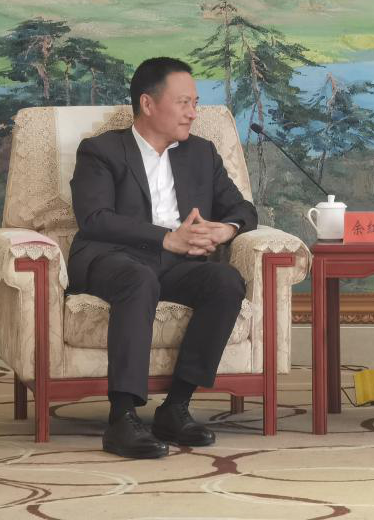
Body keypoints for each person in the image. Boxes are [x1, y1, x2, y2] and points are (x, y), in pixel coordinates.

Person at [68, 57, 258, 459]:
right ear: (148, 104)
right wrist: (167, 238)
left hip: (176, 265)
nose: (193, 113)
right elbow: (95, 218)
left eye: (195, 103)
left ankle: (176, 407)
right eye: (183, 102)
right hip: (112, 258)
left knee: (225, 282)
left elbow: (242, 208)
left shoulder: (201, 153)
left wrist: (226, 230)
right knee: (138, 279)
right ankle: (122, 418)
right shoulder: (101, 150)